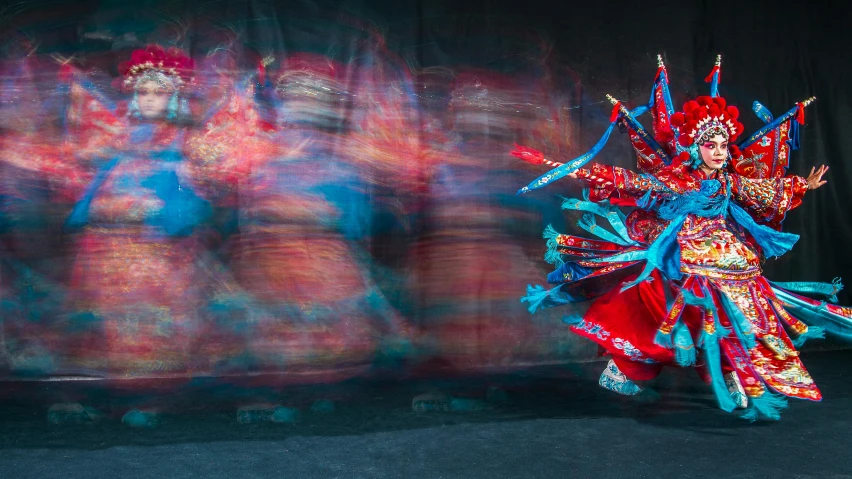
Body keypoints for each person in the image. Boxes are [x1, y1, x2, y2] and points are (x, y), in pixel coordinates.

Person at [516, 56, 851, 420]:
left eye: (724, 146)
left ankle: (730, 371)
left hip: (729, 258)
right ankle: (633, 368)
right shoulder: (679, 180)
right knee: (672, 314)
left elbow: (764, 190)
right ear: (696, 147)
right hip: (685, 258)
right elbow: (633, 181)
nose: (720, 152)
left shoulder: (727, 181)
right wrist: (572, 168)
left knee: (738, 314)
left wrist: (804, 184)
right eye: (712, 146)